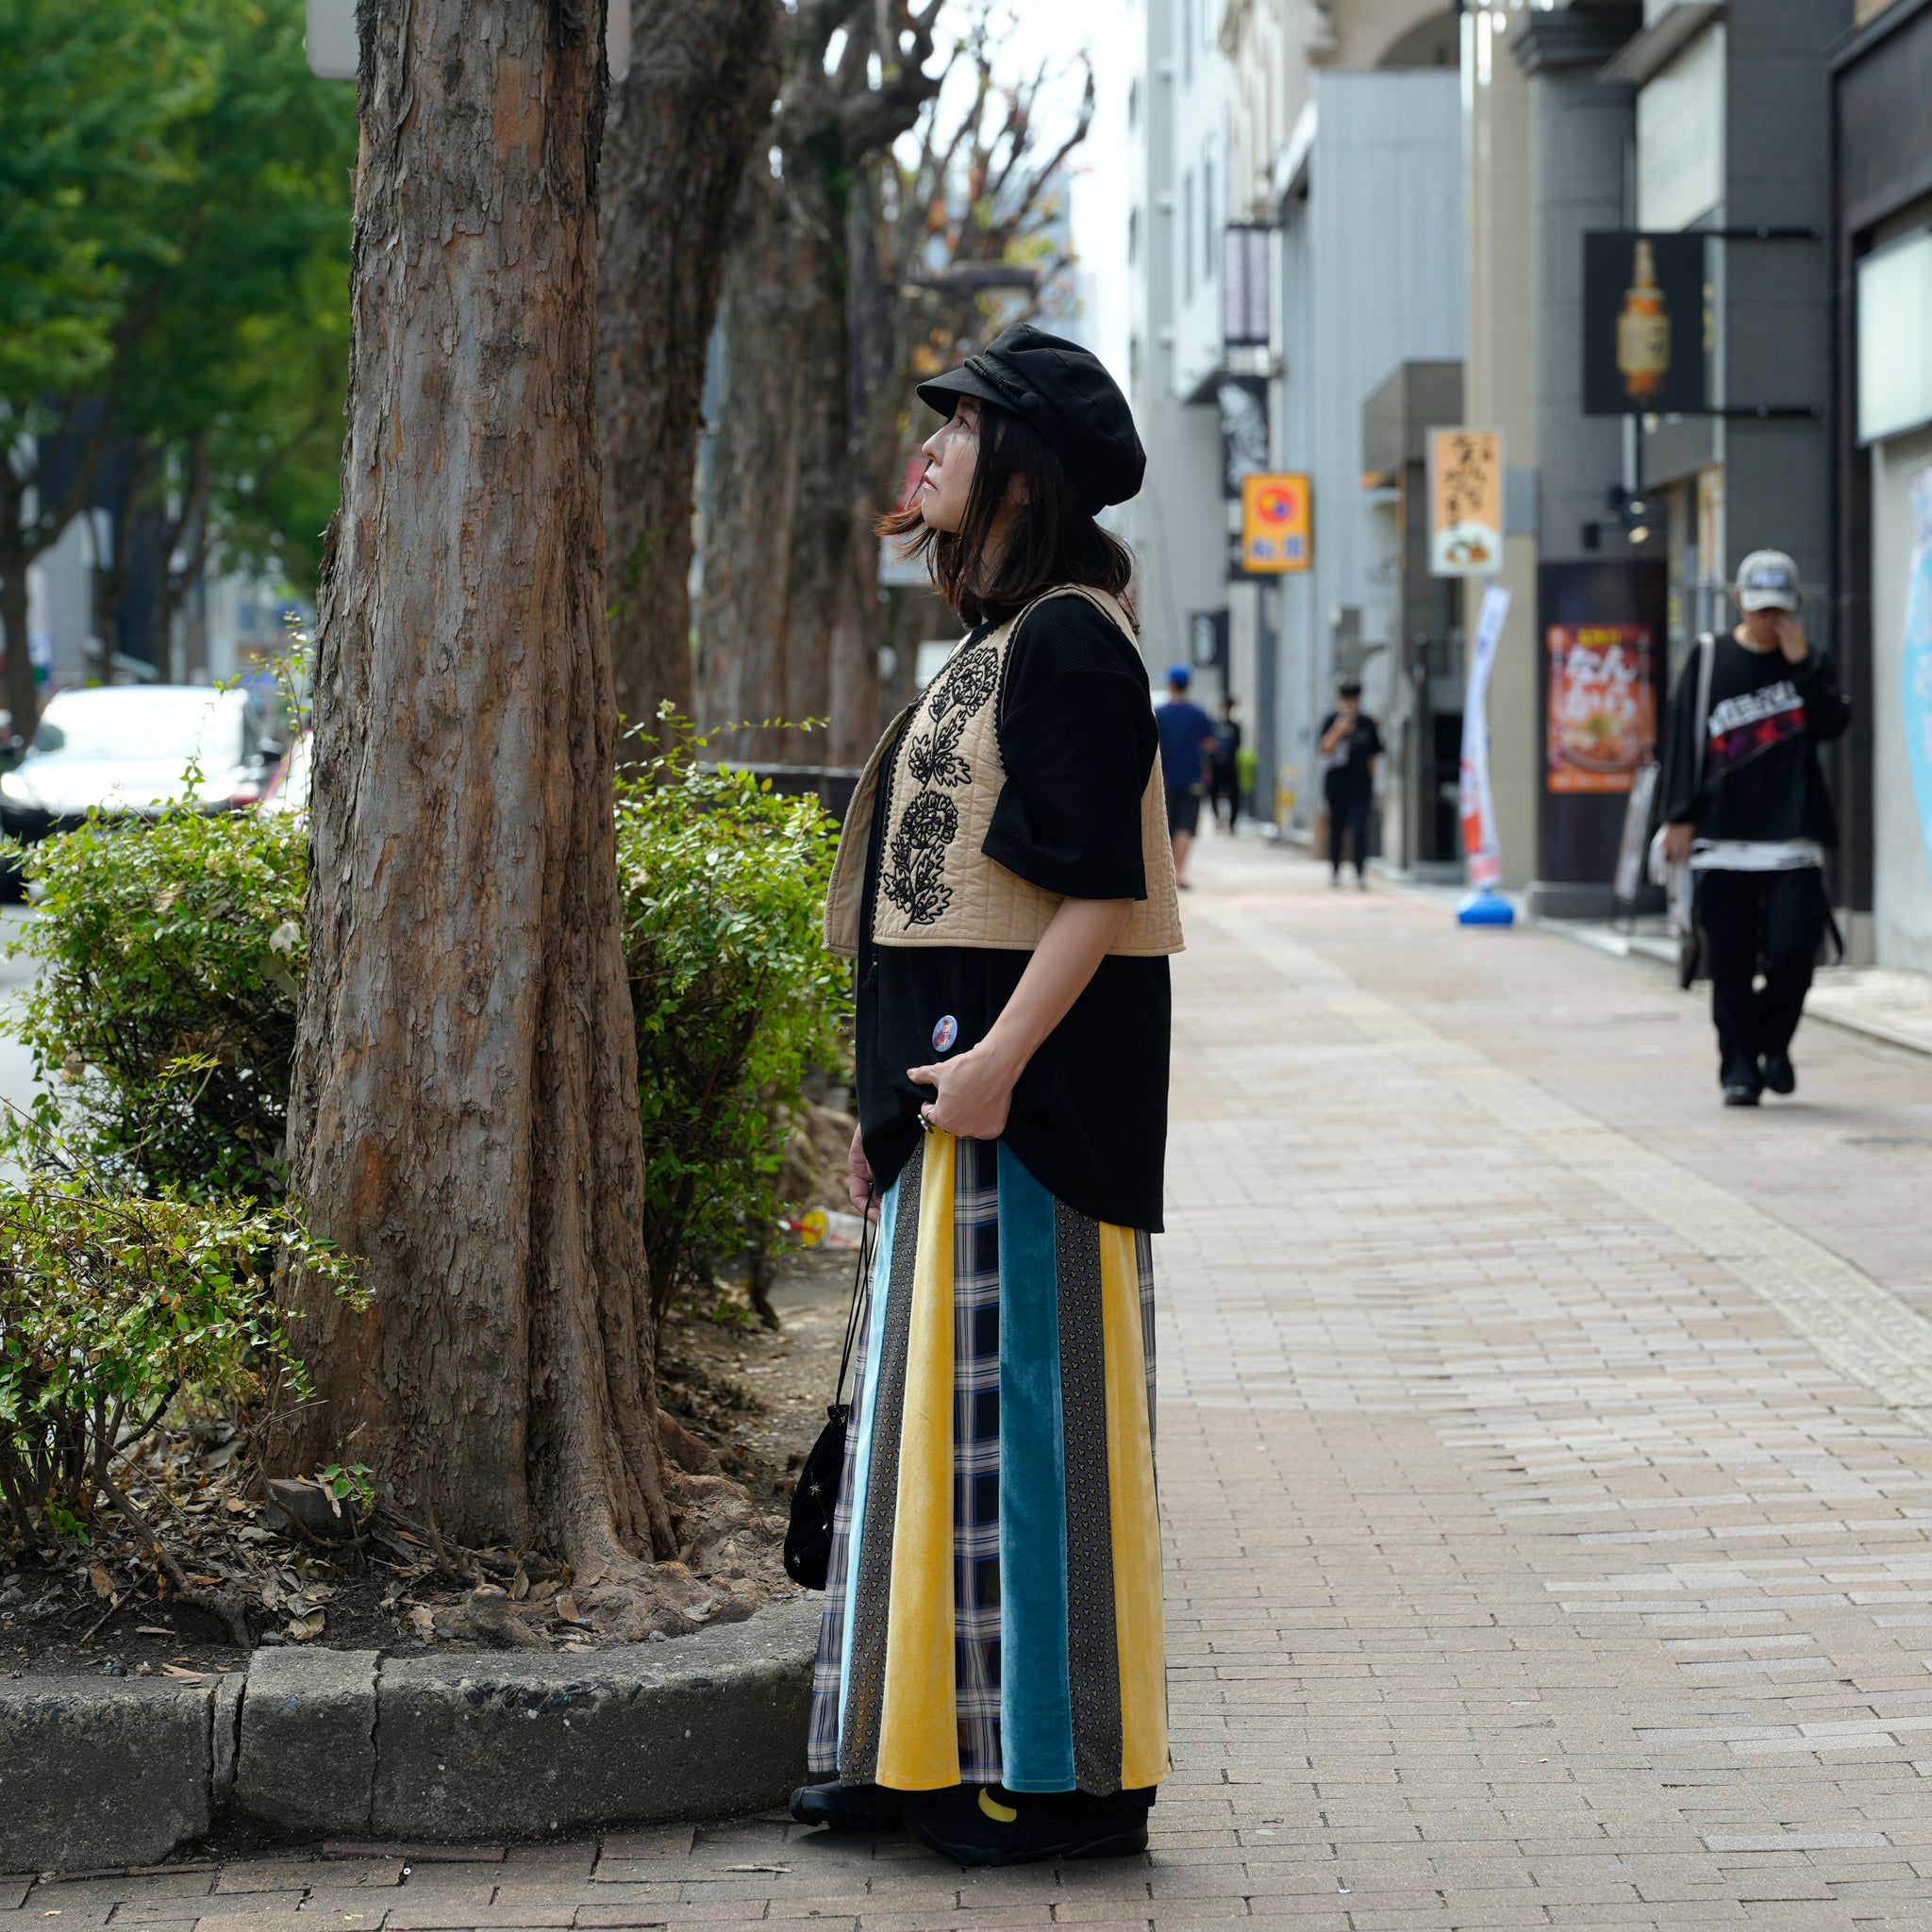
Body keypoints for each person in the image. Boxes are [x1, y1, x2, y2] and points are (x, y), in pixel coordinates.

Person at [793, 323, 1177, 1867]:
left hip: (1030, 1110)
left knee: (1030, 1435)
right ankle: (922, 1753)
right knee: (937, 1433)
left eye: (961, 425)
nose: (930, 446)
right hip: (957, 1099)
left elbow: (1095, 888)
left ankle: (1068, 1777)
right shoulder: (1008, 638)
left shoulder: (1071, 641)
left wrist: (999, 1063)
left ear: (1026, 469)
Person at [1659, 549, 1851, 1108]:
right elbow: (1680, 739)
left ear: (1798, 607)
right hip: (1722, 839)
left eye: (1780, 610)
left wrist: (1803, 665)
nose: (1770, 619)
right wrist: (1678, 815)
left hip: (1793, 838)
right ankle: (1740, 1069)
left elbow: (1833, 726)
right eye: (1761, 607)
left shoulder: (1808, 662)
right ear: (1738, 601)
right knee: (1730, 963)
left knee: (1794, 954)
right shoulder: (1708, 657)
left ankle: (1773, 1042)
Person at [1156, 665, 1218, 887]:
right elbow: (1211, 744)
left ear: (1171, 684)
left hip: (1166, 780)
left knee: (1167, 826)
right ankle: (1179, 874)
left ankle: (1167, 874)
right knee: (1186, 826)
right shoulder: (1199, 714)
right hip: (1193, 778)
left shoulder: (1160, 714)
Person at [1318, 678, 1381, 888]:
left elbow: (1374, 755)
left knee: (1360, 829)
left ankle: (1360, 873)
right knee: (1337, 828)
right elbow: (1324, 749)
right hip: (1337, 784)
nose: (1351, 704)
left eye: (1354, 699)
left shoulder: (1366, 723)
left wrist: (1373, 783)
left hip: (1360, 783)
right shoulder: (1331, 720)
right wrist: (1339, 730)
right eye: (1348, 699)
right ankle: (1335, 870)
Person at [1208, 694, 1243, 831]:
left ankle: (1231, 823)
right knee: (1214, 793)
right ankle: (1219, 818)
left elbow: (1238, 744)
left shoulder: (1235, 726)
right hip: (1216, 764)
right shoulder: (1214, 725)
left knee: (1233, 794)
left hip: (1230, 764)